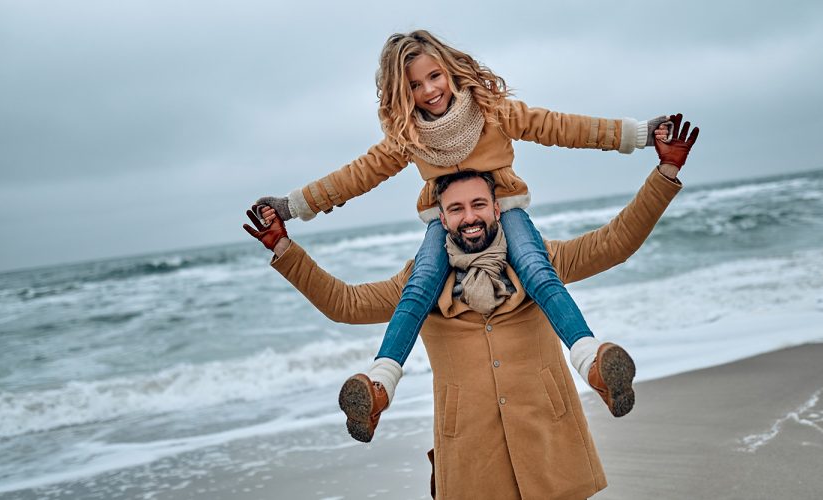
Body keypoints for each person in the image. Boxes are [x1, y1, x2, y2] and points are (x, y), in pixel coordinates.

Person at [244, 115, 698, 499]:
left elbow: (614, 243)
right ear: (442, 219)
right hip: (471, 459)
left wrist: (665, 175)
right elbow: (345, 303)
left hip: (550, 445)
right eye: (457, 208)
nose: (470, 216)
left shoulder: (540, 261)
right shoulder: (418, 283)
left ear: (498, 209)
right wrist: (284, 248)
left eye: (479, 204)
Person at [254, 29, 673, 443]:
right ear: (402, 94)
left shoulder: (493, 112)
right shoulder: (408, 137)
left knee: (536, 270)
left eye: (433, 76)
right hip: (470, 445)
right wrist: (291, 210)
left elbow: (561, 128)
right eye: (414, 85)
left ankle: (592, 363)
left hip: (507, 208)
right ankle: (379, 386)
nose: (428, 90)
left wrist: (637, 136)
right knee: (417, 290)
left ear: (451, 72)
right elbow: (354, 179)